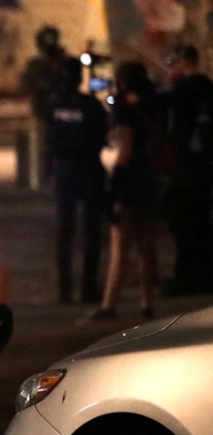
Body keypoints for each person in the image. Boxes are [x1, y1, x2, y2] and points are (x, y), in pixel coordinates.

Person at [83, 62, 162, 322]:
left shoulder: (125, 113)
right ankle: (147, 302)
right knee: (147, 246)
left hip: (129, 184)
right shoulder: (153, 105)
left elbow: (125, 150)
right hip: (151, 180)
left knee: (121, 246)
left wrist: (113, 182)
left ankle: (109, 304)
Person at [47, 56, 110, 305]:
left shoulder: (53, 104)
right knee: (91, 232)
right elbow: (101, 136)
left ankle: (64, 290)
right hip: (88, 171)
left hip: (65, 173)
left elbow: (50, 138)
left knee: (65, 232)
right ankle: (88, 288)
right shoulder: (90, 105)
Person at [161, 44, 213, 295]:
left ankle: (187, 277)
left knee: (184, 222)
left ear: (183, 62)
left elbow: (163, 108)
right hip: (206, 166)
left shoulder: (183, 89)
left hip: (187, 167)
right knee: (202, 221)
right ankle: (204, 274)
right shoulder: (207, 87)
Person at [20, 25, 70, 186]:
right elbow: (27, 84)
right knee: (46, 142)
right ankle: (47, 171)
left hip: (62, 108)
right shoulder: (36, 64)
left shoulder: (63, 63)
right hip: (44, 109)